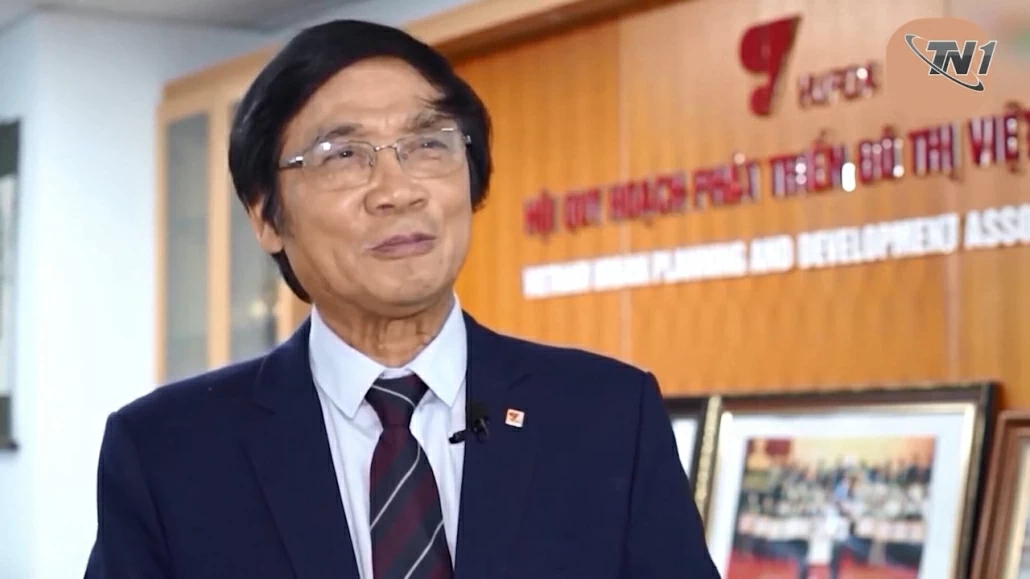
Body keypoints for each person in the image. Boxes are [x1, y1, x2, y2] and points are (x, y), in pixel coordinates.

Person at [84, 19, 719, 579]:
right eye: (343, 155)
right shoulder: (168, 454)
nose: (398, 190)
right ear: (265, 216)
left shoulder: (608, 418)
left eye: (428, 144)